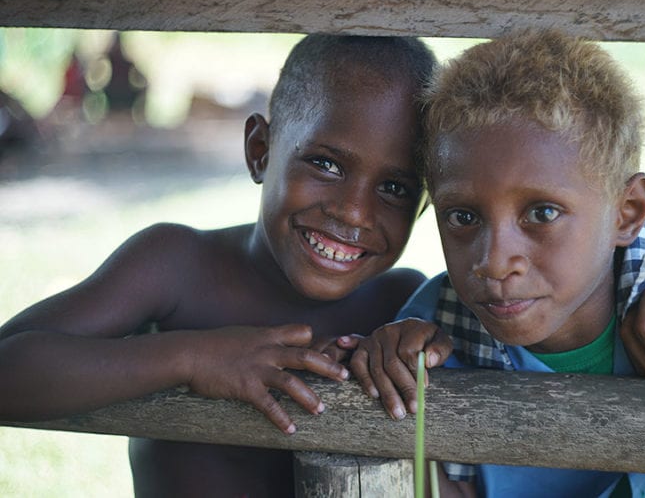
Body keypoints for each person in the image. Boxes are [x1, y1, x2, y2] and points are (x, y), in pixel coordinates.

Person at [344, 29, 645, 497]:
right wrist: (388, 378)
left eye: (542, 214)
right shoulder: (434, 335)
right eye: (463, 216)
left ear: (627, 212)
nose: (494, 262)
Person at [0, 34, 436, 497]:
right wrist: (193, 358)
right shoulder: (177, 266)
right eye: (326, 164)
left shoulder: (404, 307)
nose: (354, 212)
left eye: (395, 188)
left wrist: (409, 350)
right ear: (260, 150)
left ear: (425, 204)